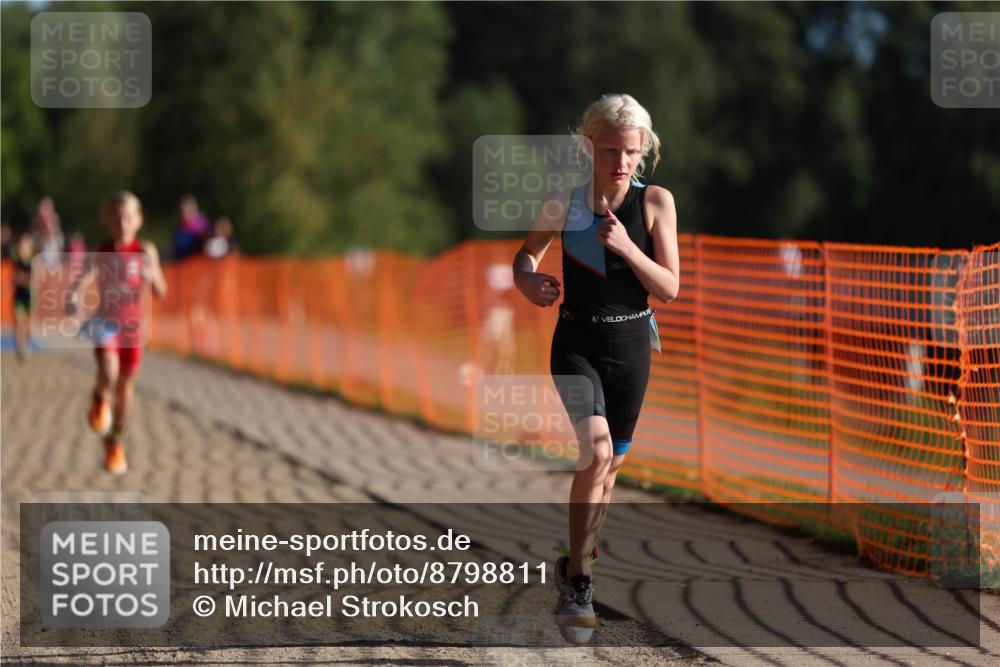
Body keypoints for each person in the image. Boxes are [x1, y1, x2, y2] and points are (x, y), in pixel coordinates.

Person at [512, 94, 680, 638]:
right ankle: (580, 585)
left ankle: (573, 564)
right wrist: (526, 279)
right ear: (589, 147)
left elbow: (670, 288)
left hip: (632, 346)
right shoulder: (563, 203)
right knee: (597, 451)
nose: (621, 162)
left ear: (644, 150)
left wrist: (630, 249)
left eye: (632, 152)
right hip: (576, 342)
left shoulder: (655, 202)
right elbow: (527, 253)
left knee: (608, 471)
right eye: (610, 150)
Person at [66, 191, 167, 474]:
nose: (123, 223)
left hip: (133, 329)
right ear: (108, 221)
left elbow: (162, 290)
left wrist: (152, 276)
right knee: (109, 372)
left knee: (125, 387)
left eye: (128, 218)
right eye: (117, 218)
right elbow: (85, 276)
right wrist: (74, 295)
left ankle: (116, 443)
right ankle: (99, 399)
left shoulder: (145, 250)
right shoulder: (103, 250)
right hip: (106, 323)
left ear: (139, 220)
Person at [10, 230, 35, 360]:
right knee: (19, 321)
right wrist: (22, 279)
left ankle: (25, 345)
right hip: (19, 295)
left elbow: (34, 279)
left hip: (30, 296)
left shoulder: (34, 260)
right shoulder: (16, 260)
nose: (24, 246)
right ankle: (19, 346)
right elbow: (13, 279)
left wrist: (24, 279)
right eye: (23, 243)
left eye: (27, 243)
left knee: (27, 323)